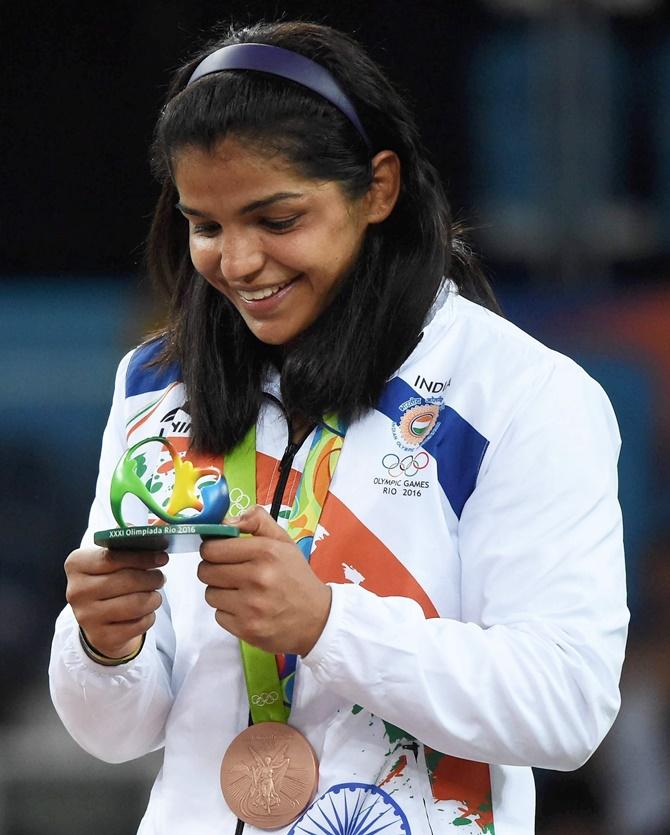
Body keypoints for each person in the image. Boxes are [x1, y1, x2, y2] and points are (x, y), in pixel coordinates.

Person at [49, 20, 628, 835]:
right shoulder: (158, 382)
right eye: (207, 225)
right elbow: (114, 732)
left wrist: (327, 624)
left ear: (379, 188)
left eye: (277, 219)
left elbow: (566, 706)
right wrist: (104, 646)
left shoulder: (523, 395)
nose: (239, 262)